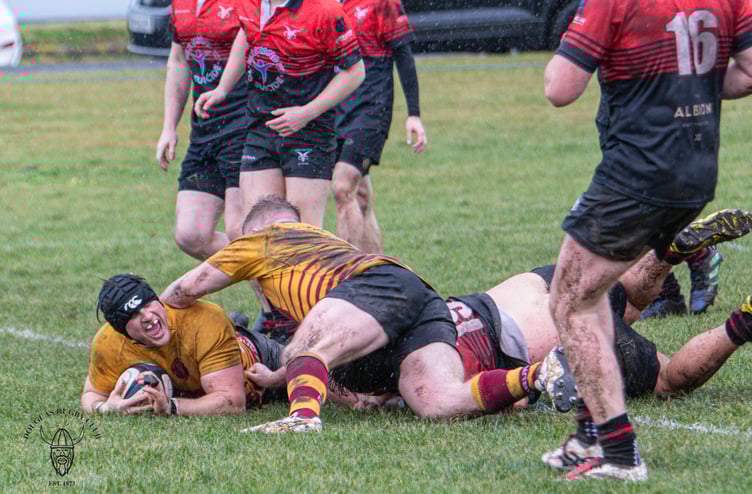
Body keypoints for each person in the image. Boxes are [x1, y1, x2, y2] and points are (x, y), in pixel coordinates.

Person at [542, 0, 752, 480]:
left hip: (636, 173)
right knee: (588, 296)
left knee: (570, 302)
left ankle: (618, 453)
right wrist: (681, 88)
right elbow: (747, 74)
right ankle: (590, 433)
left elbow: (560, 88)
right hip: (695, 172)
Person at [160, 195, 576, 432]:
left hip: (376, 285)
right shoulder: (321, 239)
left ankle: (302, 419)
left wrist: (153, 314)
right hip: (418, 297)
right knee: (435, 400)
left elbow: (186, 289)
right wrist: (274, 377)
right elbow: (343, 334)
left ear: (255, 231)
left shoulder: (263, 240)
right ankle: (540, 375)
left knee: (305, 343)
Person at [193, 0, 365, 229]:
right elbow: (246, 36)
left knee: (303, 234)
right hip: (260, 129)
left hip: (309, 134)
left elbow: (355, 72)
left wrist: (306, 112)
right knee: (259, 229)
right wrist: (223, 88)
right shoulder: (248, 4)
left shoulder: (325, 9)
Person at [81, 274, 284, 416]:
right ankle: (235, 323)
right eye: (134, 315)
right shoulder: (107, 342)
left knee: (304, 369)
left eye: (147, 304)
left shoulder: (205, 319)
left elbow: (233, 402)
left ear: (159, 301)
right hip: (193, 377)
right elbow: (91, 395)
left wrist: (171, 408)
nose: (148, 316)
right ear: (122, 331)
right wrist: (106, 408)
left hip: (259, 357)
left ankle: (235, 326)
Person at [155, 0, 248, 261]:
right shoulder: (180, 4)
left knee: (240, 230)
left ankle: (273, 300)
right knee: (191, 234)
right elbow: (178, 61)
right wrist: (169, 128)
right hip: (205, 130)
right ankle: (278, 264)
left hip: (245, 124)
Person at [332, 0, 426, 253]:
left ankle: (348, 279)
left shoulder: (383, 2)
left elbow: (404, 55)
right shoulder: (323, 4)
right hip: (333, 110)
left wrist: (413, 114)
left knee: (343, 186)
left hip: (371, 111)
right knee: (359, 195)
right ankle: (378, 273)